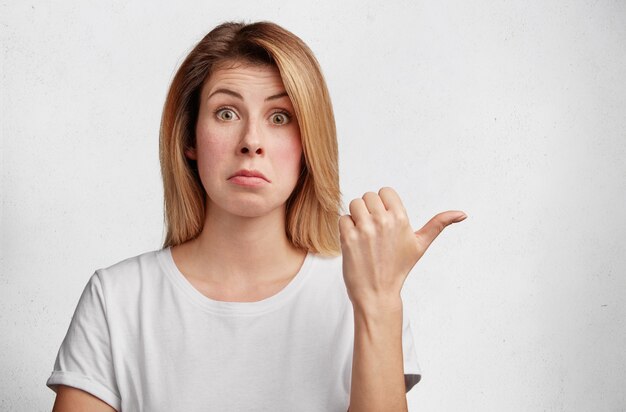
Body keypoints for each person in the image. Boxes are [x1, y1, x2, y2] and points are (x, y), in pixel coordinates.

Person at [46, 21, 467, 411]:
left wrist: (378, 301)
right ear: (189, 136)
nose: (251, 142)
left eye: (280, 117)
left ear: (308, 145)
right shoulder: (116, 300)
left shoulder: (358, 293)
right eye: (226, 113)